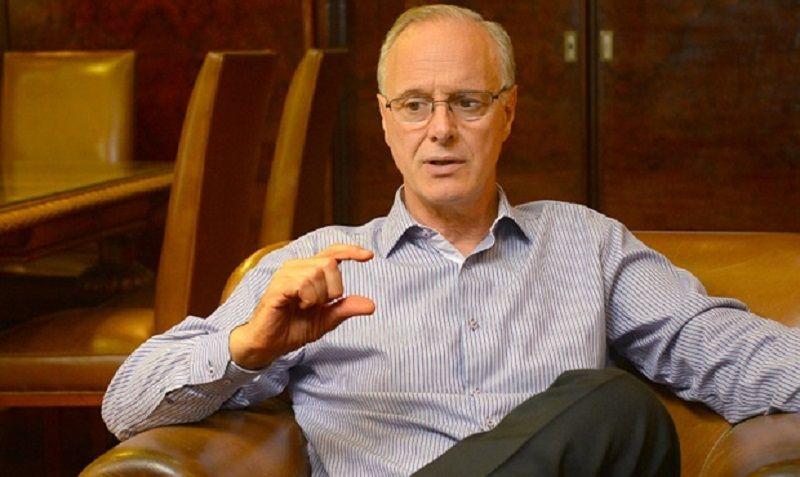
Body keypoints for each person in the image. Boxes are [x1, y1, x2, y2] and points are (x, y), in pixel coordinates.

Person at [102, 5, 800, 476]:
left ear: (508, 113)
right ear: (385, 121)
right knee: (617, 404)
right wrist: (245, 348)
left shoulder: (587, 245)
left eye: (467, 102)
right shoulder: (316, 266)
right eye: (415, 105)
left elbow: (731, 351)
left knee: (617, 409)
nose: (440, 129)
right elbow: (125, 404)